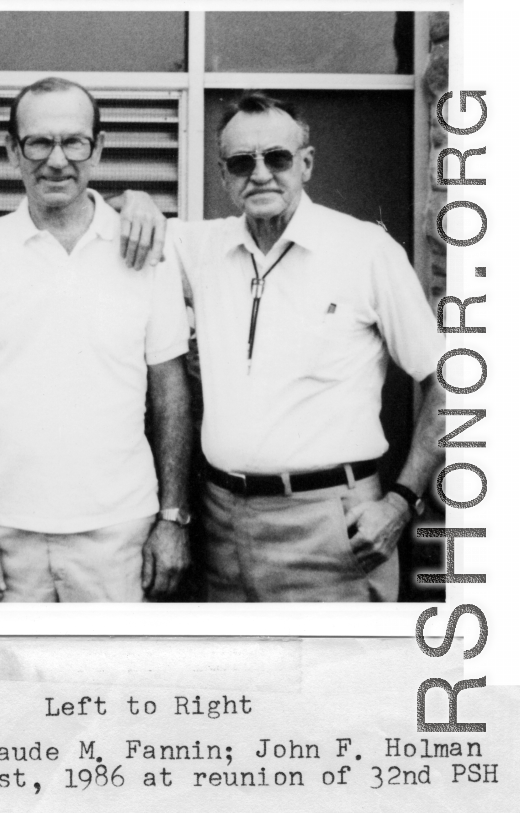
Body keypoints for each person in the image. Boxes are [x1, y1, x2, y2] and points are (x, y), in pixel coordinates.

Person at [164, 91, 444, 602]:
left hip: (333, 531)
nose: (261, 173)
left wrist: (402, 502)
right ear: (224, 175)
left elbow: (449, 385)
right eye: (241, 162)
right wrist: (133, 203)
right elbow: (106, 224)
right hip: (223, 526)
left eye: (277, 157)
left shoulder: (365, 250)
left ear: (306, 164)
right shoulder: (201, 249)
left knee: (336, 681)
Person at [0, 77, 192, 602]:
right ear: (12, 150)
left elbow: (171, 395)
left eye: (74, 141)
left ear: (97, 148)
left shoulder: (146, 251)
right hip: (3, 535)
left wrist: (173, 519)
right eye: (38, 142)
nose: (57, 160)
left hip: (120, 533)